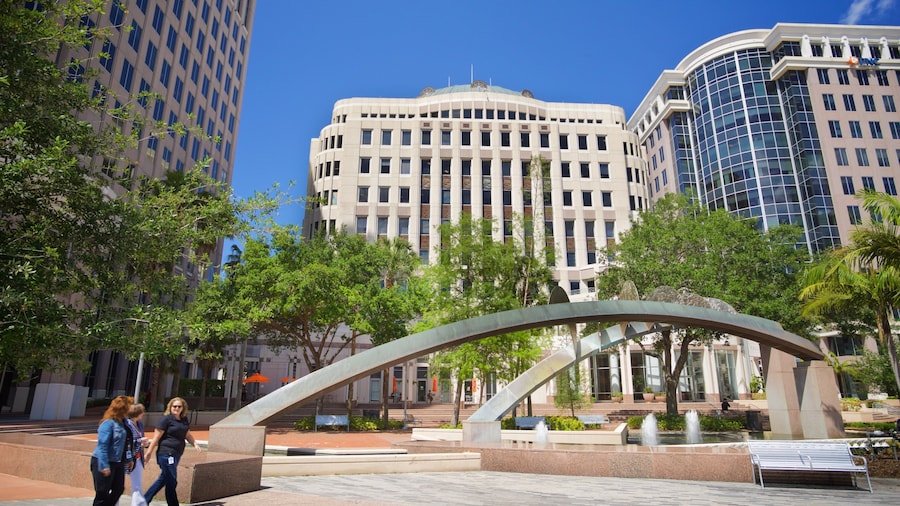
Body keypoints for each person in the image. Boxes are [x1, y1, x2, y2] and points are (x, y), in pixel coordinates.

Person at [144, 397, 202, 505]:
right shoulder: (166, 419)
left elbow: (187, 434)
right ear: (170, 407)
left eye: (179, 406)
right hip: (166, 453)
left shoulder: (183, 420)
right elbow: (156, 437)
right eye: (174, 406)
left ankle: (144, 500)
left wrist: (195, 444)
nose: (176, 408)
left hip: (177, 453)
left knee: (165, 478)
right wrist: (148, 453)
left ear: (183, 408)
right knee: (171, 479)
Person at [91, 395, 135, 506]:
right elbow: (102, 446)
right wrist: (104, 465)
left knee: (118, 489)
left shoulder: (124, 423)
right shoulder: (108, 423)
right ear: (122, 408)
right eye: (128, 406)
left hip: (118, 461)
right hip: (104, 460)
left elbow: (126, 443)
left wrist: (129, 458)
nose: (130, 409)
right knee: (102, 493)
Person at [121, 403, 149, 506]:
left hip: (138, 458)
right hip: (127, 458)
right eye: (142, 412)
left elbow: (141, 439)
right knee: (118, 485)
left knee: (137, 485)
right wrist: (139, 441)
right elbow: (127, 441)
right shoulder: (127, 424)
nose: (143, 414)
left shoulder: (140, 424)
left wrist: (145, 444)